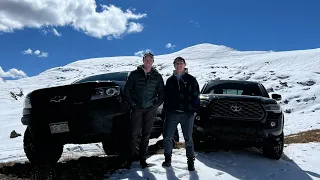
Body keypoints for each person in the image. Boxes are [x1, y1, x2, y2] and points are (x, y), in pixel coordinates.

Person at [124, 52, 165, 168]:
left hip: (150, 110)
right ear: (143, 60)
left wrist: (155, 105)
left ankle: (143, 159)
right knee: (133, 134)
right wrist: (133, 104)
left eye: (150, 59)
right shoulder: (134, 74)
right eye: (146, 59)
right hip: (137, 109)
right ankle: (130, 159)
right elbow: (127, 91)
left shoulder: (157, 76)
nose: (148, 61)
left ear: (153, 61)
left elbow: (162, 93)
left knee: (146, 135)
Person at [162, 56, 200, 171]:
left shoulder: (191, 79)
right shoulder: (170, 80)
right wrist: (166, 110)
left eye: (181, 63)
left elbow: (196, 96)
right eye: (177, 63)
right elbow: (166, 97)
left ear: (185, 65)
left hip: (187, 113)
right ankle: (167, 159)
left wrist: (194, 110)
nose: (179, 65)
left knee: (188, 138)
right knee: (168, 137)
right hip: (172, 113)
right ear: (174, 65)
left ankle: (190, 161)